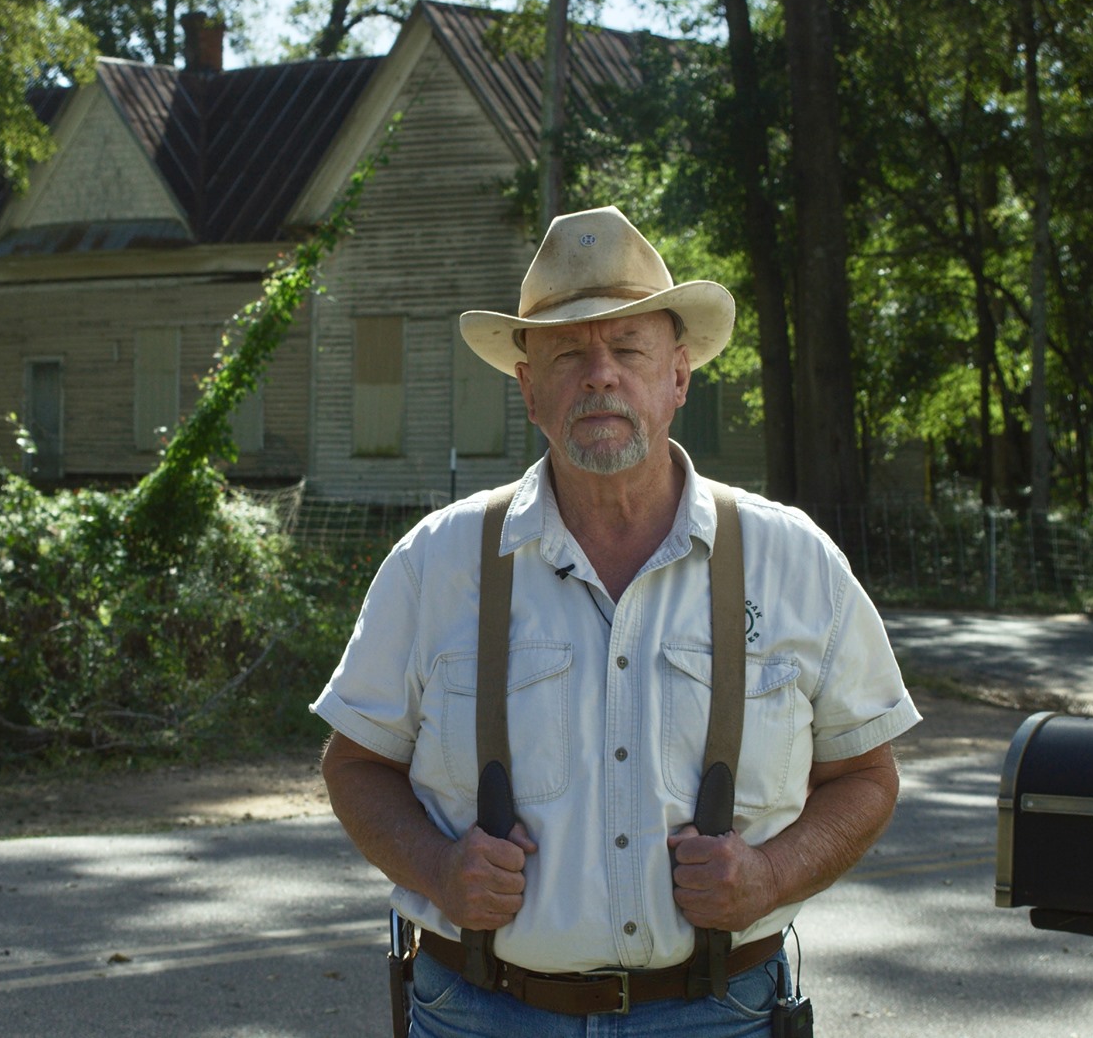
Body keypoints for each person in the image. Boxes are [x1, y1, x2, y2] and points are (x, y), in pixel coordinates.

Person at [310, 206, 920, 1037]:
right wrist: (438, 868)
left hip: (722, 1013)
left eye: (627, 348)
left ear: (678, 376)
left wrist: (770, 876)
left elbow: (868, 777)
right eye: (567, 352)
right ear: (529, 388)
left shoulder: (794, 561)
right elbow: (354, 764)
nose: (600, 374)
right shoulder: (436, 563)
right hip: (481, 1012)